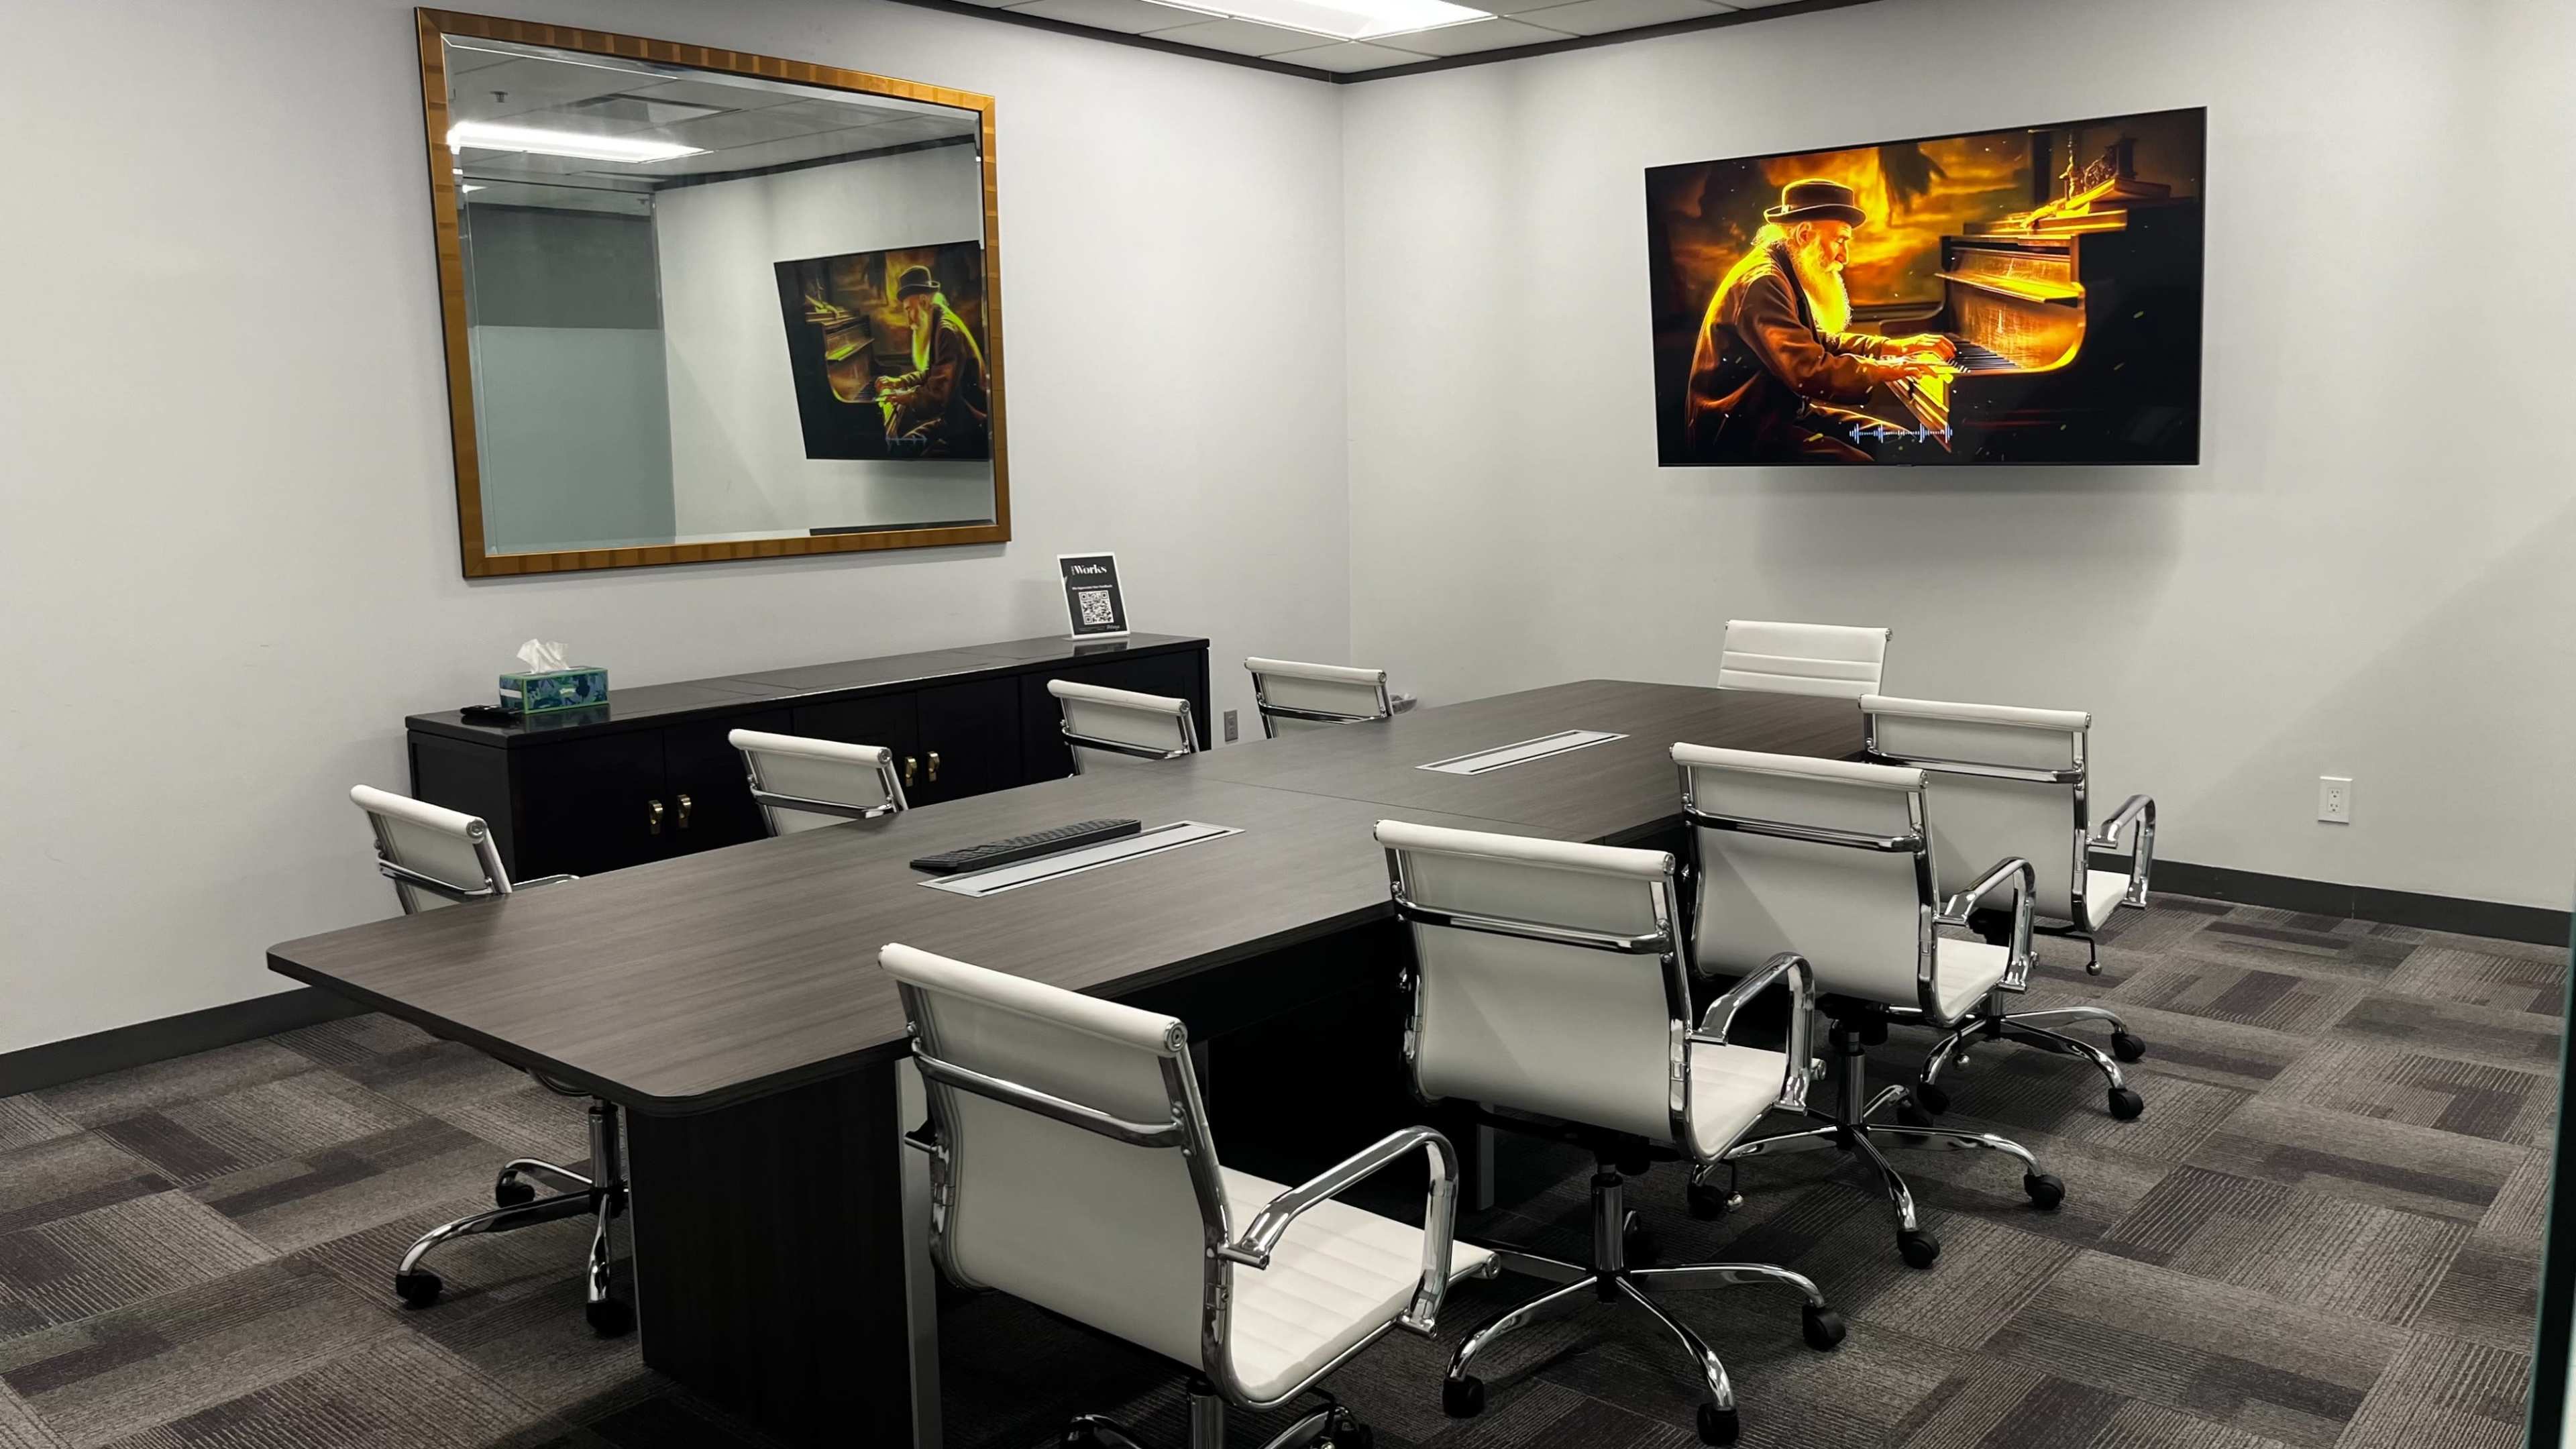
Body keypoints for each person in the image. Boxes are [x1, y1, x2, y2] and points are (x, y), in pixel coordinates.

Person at [1680, 178, 1955, 463]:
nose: (1844, 256)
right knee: (1862, 468)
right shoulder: (1764, 281)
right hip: (1747, 430)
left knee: (1904, 443)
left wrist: (1891, 348)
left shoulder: (1782, 270)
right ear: (1804, 235)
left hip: (1782, 413)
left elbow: (1816, 341)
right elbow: (1808, 369)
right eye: (1839, 240)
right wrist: (1885, 370)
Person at [873, 266, 990, 458]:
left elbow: (938, 394)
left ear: (923, 301)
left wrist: (906, 396)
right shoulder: (937, 322)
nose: (909, 319)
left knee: (902, 454)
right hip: (957, 417)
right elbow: (933, 372)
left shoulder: (946, 330)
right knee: (900, 448)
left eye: (909, 309)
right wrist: (900, 382)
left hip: (970, 425)